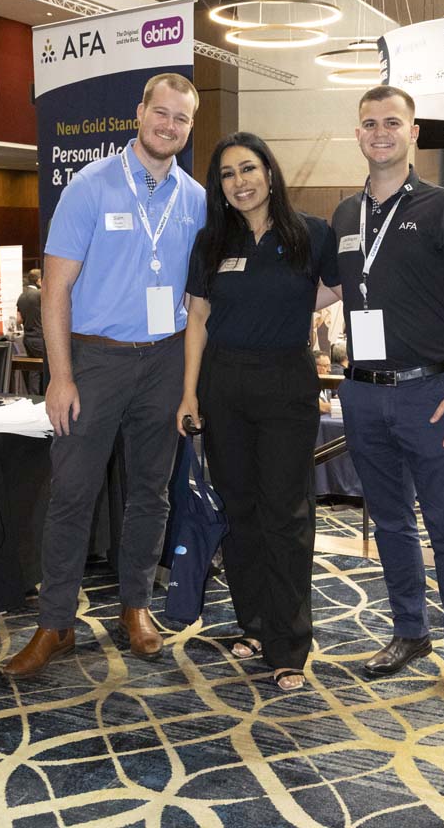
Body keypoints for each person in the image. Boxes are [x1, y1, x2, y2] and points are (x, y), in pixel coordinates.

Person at [4, 73, 206, 678]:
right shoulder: (89, 185)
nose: (169, 125)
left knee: (151, 491)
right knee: (72, 493)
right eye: (161, 112)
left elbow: (200, 297)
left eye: (181, 118)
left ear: (189, 127)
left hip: (165, 360)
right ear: (139, 112)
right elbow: (56, 288)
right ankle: (56, 622)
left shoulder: (196, 199)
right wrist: (60, 376)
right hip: (94, 362)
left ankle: (135, 606)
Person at [329, 85, 444, 717]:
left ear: (413, 132)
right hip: (364, 395)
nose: (380, 132)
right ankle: (409, 631)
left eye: (391, 122)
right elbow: (324, 291)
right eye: (369, 123)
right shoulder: (345, 215)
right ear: (358, 133)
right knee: (389, 523)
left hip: (432, 393)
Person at [176, 131, 339, 692]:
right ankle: (254, 622)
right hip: (223, 383)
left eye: (248, 169)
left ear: (269, 172)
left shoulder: (311, 233)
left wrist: (292, 311)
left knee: (286, 513)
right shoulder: (211, 241)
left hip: (286, 383)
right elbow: (198, 320)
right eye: (227, 174)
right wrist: (189, 393)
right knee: (239, 508)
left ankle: (288, 643)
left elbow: (338, 288)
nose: (239, 182)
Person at [17, 268, 44, 394]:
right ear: (39, 281)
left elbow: (19, 319)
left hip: (27, 338)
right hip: (40, 337)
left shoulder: (22, 296)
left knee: (34, 369)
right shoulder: (40, 294)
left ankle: (34, 397)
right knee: (49, 367)